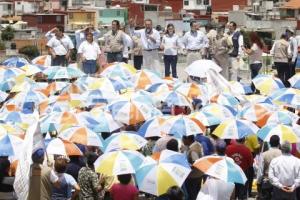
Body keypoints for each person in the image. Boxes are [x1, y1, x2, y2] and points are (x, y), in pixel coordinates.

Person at [257, 135, 282, 200]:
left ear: (270, 143)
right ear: (279, 143)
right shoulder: (282, 154)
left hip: (266, 181)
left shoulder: (264, 154)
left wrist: (258, 182)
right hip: (279, 182)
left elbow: (260, 171)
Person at [182, 135, 203, 200]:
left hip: (193, 176)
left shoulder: (193, 150)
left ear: (188, 139)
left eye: (183, 139)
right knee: (196, 192)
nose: (182, 141)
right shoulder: (197, 144)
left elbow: (196, 164)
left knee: (192, 194)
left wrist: (186, 164)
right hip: (199, 174)